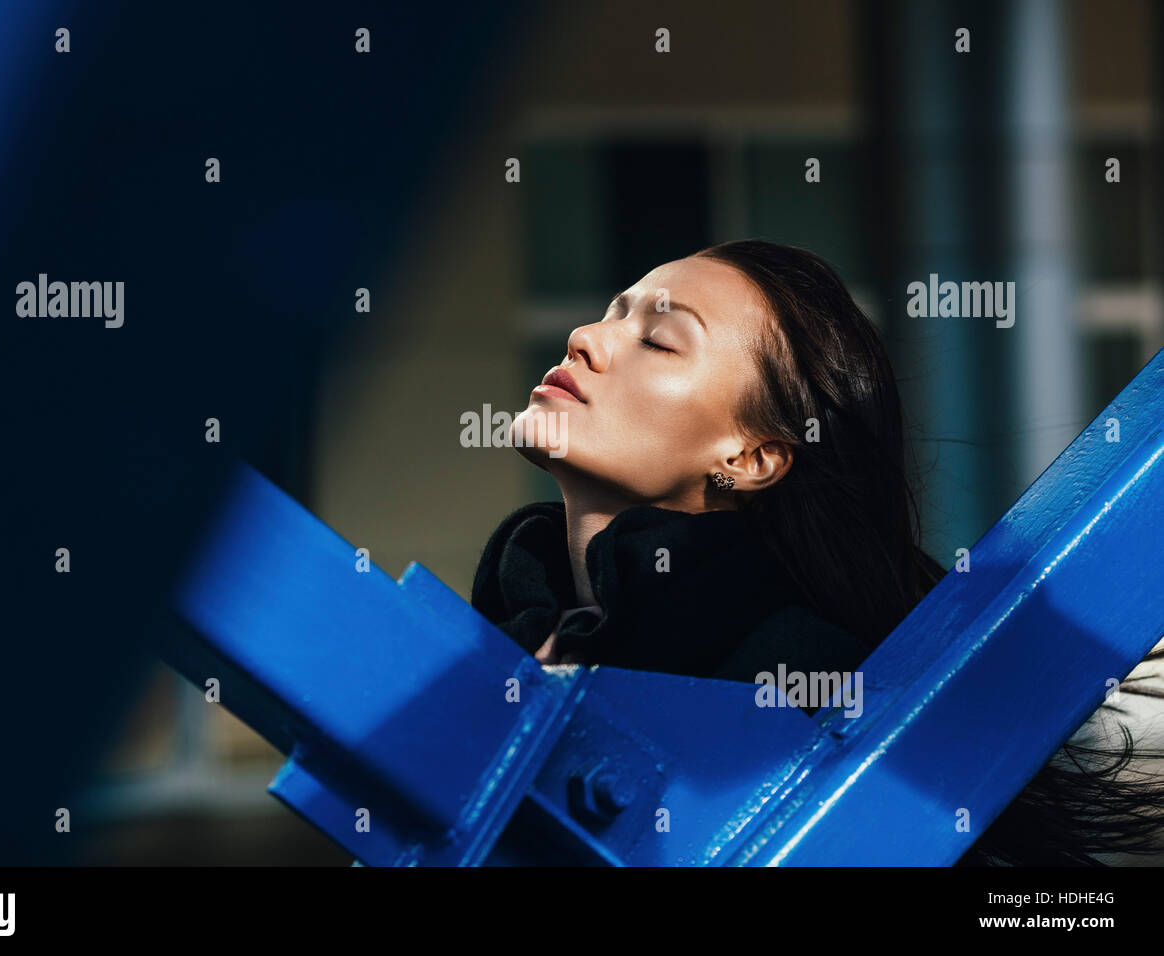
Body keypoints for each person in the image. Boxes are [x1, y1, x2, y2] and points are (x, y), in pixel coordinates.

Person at [470, 239, 1164, 866]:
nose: (585, 338)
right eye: (611, 315)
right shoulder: (491, 647)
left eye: (657, 340)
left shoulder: (808, 684)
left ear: (750, 457)